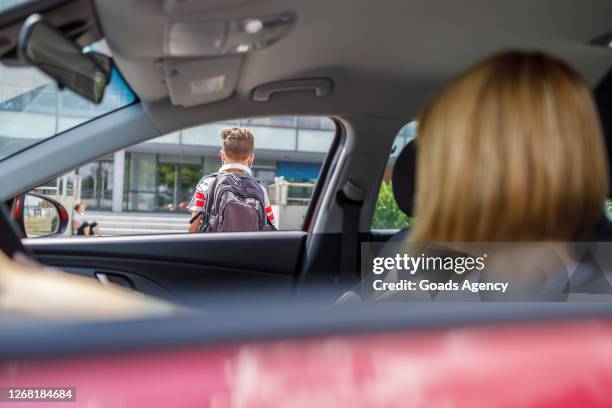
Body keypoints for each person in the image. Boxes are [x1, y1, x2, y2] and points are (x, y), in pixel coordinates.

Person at [187, 127, 277, 233]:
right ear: (251, 158)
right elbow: (271, 225)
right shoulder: (260, 190)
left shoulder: (207, 184)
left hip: (215, 248)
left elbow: (193, 228)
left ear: (222, 155)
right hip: (250, 249)